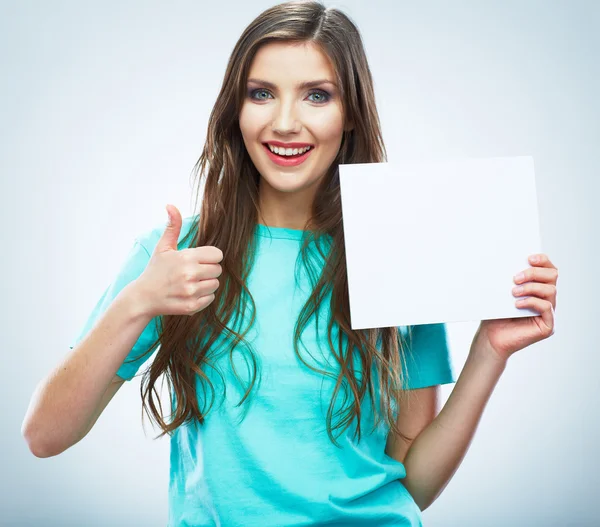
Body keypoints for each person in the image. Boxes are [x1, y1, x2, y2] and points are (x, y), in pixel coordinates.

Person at [21, 1, 559, 525]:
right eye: (262, 94)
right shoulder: (173, 257)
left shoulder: (398, 247)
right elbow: (45, 436)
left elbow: (411, 483)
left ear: (349, 115)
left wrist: (489, 352)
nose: (285, 122)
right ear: (237, 108)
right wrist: (138, 301)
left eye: (316, 96)